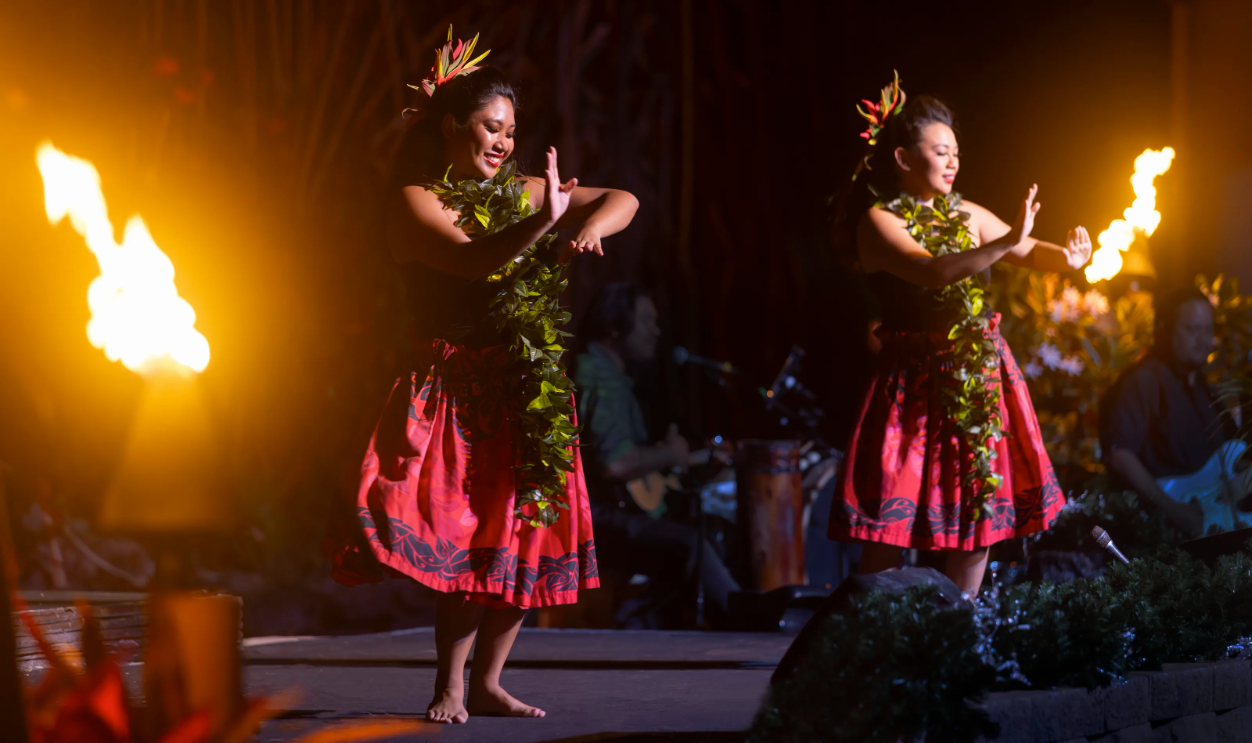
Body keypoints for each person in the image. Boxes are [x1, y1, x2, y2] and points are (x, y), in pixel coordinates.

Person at [331, 31, 638, 724]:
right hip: (451, 390)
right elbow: (475, 262)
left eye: (511, 132)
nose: (503, 142)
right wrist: (548, 225)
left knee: (523, 532)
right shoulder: (414, 201)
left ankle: (492, 680)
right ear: (452, 126)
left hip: (525, 385)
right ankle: (450, 683)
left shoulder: (527, 192)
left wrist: (591, 230)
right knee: (468, 539)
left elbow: (622, 198)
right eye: (490, 127)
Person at [828, 77, 1090, 596]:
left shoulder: (967, 214)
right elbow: (933, 272)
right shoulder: (877, 222)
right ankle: (868, 632)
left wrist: (1070, 258)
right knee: (890, 522)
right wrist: (1008, 242)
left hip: (977, 378)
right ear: (902, 158)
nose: (952, 162)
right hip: (913, 384)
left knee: (976, 515)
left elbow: (1030, 250)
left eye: (956, 152)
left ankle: (959, 631)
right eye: (940, 151)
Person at [574, 281, 740, 625]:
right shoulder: (599, 378)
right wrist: (669, 455)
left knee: (698, 531)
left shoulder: (606, 375)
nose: (656, 331)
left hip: (604, 514)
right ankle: (745, 618)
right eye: (647, 321)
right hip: (599, 520)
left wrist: (679, 456)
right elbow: (615, 465)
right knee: (692, 543)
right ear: (614, 326)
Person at [1100, 288, 1239, 538]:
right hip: (1162, 534)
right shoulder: (1145, 379)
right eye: (1192, 329)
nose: (1203, 339)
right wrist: (1175, 511)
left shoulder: (1205, 389)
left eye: (1208, 330)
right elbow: (1119, 456)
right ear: (1166, 329)